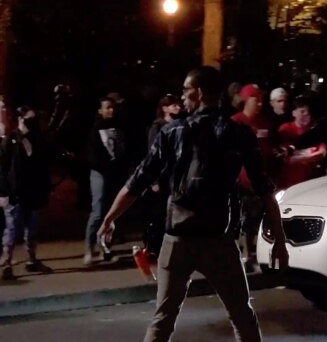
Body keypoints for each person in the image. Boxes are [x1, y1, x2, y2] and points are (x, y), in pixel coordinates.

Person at [97, 66, 288, 342]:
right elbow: (265, 190)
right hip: (218, 240)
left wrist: (110, 218)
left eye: (186, 91)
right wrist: (279, 241)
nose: (183, 97)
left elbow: (138, 180)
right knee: (242, 318)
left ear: (197, 93)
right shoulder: (238, 133)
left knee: (163, 319)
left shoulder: (173, 133)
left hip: (178, 239)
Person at [0, 107, 53, 280]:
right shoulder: (10, 140)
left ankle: (31, 259)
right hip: (15, 193)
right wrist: (3, 192)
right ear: (20, 119)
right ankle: (7, 263)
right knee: (11, 229)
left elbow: (43, 166)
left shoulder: (37, 139)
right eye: (27, 118)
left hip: (33, 192)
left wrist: (45, 188)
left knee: (31, 229)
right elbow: (2, 168)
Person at [231, 84, 278, 272]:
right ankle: (245, 255)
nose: (259, 102)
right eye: (255, 99)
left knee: (259, 218)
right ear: (245, 100)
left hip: (261, 180)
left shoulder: (264, 122)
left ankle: (257, 254)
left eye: (261, 99)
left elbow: (269, 147)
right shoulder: (235, 122)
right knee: (244, 219)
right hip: (241, 182)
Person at [83, 96, 128, 265]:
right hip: (100, 173)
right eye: (107, 107)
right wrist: (106, 166)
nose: (111, 110)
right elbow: (92, 155)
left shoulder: (120, 127)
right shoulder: (95, 130)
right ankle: (89, 249)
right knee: (98, 211)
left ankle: (105, 248)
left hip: (115, 174)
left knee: (112, 212)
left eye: (113, 107)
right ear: (100, 110)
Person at [142, 94, 182, 260]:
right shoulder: (158, 127)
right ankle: (152, 247)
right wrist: (155, 180)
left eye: (178, 104)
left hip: (176, 175)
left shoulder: (181, 124)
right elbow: (153, 154)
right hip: (162, 176)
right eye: (173, 105)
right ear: (165, 108)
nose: (177, 107)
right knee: (159, 214)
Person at [276, 96, 326, 188]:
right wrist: (309, 158)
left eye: (308, 111)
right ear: (294, 113)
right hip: (289, 182)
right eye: (302, 111)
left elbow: (322, 153)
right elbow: (284, 156)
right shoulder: (286, 129)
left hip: (311, 181)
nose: (306, 114)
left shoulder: (315, 130)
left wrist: (301, 158)